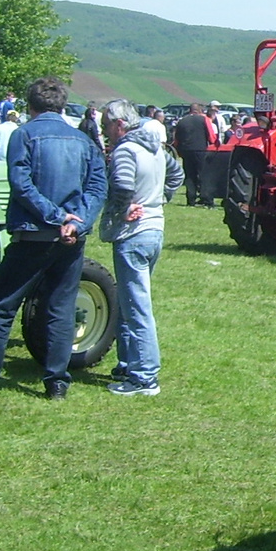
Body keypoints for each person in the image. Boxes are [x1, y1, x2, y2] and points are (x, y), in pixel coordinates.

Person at [0, 78, 107, 399]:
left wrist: (58, 217)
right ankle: (57, 382)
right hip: (70, 239)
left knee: (0, 306)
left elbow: (22, 186)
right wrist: (76, 222)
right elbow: (97, 188)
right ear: (62, 105)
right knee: (60, 308)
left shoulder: (24, 135)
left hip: (34, 234)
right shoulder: (82, 140)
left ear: (30, 105)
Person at [100, 99, 183, 396]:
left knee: (136, 306)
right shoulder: (156, 148)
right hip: (154, 230)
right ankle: (127, 364)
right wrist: (159, 199)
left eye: (107, 125)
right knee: (127, 302)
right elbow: (177, 175)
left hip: (132, 233)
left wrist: (123, 210)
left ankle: (145, 376)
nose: (105, 131)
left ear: (119, 124)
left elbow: (122, 186)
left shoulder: (125, 150)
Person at [171, 102, 217, 206]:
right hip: (201, 150)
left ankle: (190, 199)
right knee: (204, 174)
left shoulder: (182, 121)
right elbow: (211, 136)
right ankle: (206, 199)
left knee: (189, 175)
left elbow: (176, 139)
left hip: (186, 150)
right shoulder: (204, 119)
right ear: (199, 111)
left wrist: (179, 151)